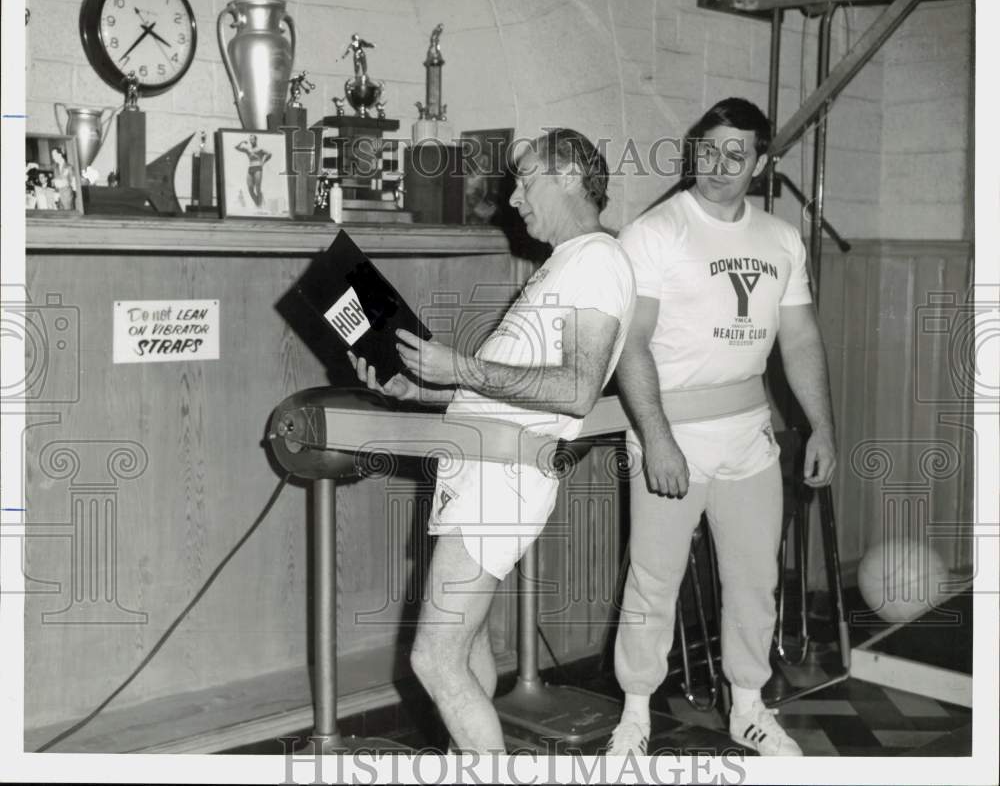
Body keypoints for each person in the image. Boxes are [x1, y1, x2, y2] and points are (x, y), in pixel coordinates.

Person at [349, 128, 636, 753]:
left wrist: (458, 367)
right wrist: (421, 392)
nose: (513, 199)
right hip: (481, 470)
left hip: (503, 479)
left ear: (567, 176)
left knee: (434, 658)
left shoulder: (598, 259)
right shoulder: (564, 264)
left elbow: (576, 390)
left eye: (526, 179)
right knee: (468, 645)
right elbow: (506, 389)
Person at [607, 98, 836, 757]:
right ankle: (635, 713)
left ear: (760, 162)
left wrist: (820, 424)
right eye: (708, 149)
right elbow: (632, 344)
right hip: (671, 432)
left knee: (753, 577)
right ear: (693, 149)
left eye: (736, 154)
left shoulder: (781, 239)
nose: (718, 165)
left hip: (748, 434)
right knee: (654, 578)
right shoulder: (653, 233)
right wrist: (655, 438)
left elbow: (799, 340)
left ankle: (748, 708)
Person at [234, 134, 271, 208]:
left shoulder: (260, 149)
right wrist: (242, 142)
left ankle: (259, 206)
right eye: (250, 139)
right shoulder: (248, 149)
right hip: (250, 168)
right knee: (250, 189)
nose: (251, 141)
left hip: (258, 168)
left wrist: (263, 162)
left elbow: (269, 154)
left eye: (253, 139)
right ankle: (258, 203)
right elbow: (236, 147)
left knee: (258, 188)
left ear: (256, 140)